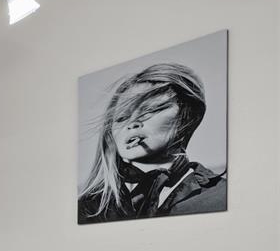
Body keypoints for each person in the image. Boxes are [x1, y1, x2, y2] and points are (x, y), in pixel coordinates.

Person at [78, 63, 226, 223]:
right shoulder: (88, 209)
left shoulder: (220, 195)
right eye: (121, 117)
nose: (132, 123)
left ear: (187, 116)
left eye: (150, 110)